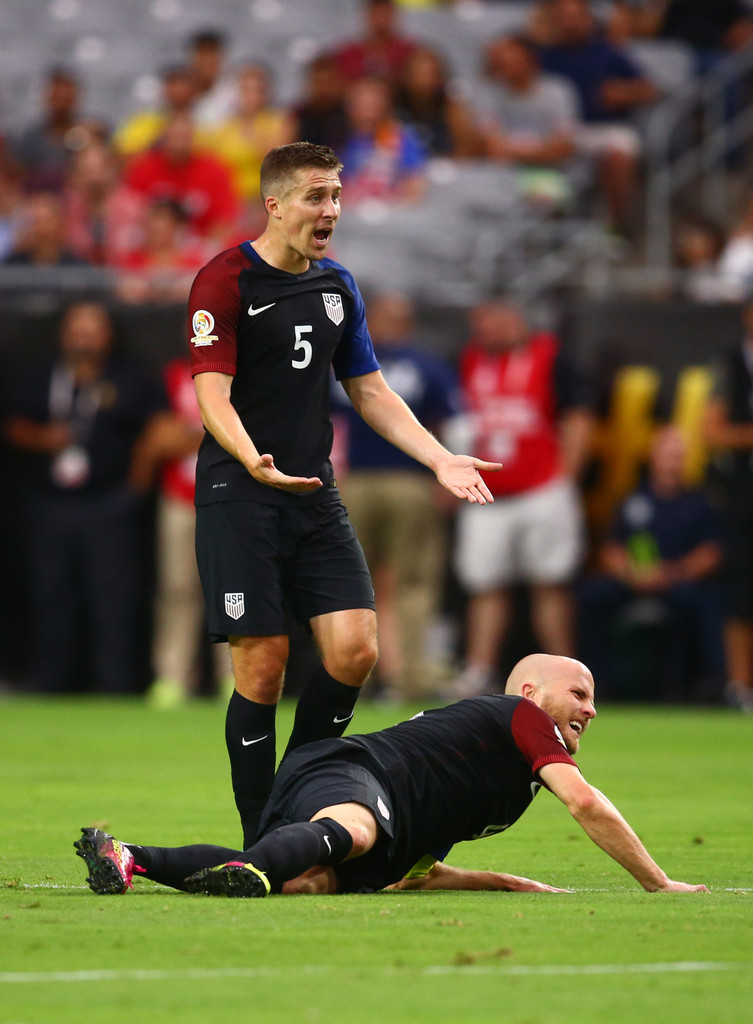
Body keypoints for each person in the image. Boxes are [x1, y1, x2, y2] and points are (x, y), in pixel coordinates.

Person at [186, 141, 500, 848]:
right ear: (273, 204)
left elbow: (369, 390)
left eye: (334, 195)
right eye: (313, 197)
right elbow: (212, 394)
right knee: (262, 665)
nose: (329, 210)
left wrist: (438, 457)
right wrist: (251, 459)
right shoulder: (223, 281)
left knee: (355, 650)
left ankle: (296, 797)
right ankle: (261, 834)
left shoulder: (336, 286)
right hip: (240, 492)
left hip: (314, 493)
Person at [73, 653, 709, 897]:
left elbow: (422, 872)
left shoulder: (511, 786)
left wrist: (513, 885)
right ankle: (257, 866)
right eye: (579, 693)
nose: (590, 709)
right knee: (354, 828)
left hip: (374, 814)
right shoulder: (521, 717)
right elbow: (588, 805)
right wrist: (659, 885)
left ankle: (131, 857)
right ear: (531, 689)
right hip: (349, 771)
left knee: (312, 885)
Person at [3, 301, 167, 694]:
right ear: (63, 334)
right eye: (78, 328)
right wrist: (43, 439)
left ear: (109, 334)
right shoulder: (40, 377)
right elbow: (12, 424)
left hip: (109, 502)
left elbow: (158, 428)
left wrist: (134, 485)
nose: (85, 336)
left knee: (114, 595)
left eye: (93, 328)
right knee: (51, 592)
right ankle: (51, 682)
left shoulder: (130, 378)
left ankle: (117, 684)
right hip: (51, 502)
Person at [448, 299, 593, 698]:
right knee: (485, 586)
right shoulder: (469, 360)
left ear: (516, 317)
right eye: (481, 321)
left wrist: (565, 477)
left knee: (550, 583)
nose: (488, 329)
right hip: (487, 492)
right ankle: (479, 671)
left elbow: (579, 416)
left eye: (496, 318)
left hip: (542, 488)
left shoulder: (550, 356)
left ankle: (568, 675)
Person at [333, 291, 459, 700]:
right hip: (410, 481)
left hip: (357, 484)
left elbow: (325, 422)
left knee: (349, 582)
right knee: (414, 583)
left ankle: (349, 675)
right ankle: (412, 678)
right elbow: (457, 422)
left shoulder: (346, 361)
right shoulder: (427, 366)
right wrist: (448, 471)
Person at [578, 425, 725, 702]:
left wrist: (673, 573)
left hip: (679, 581)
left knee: (707, 600)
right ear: (653, 457)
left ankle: (707, 684)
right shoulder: (633, 499)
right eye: (667, 454)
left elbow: (711, 553)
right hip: (634, 581)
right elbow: (611, 550)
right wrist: (633, 574)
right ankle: (596, 683)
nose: (672, 462)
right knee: (592, 596)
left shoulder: (700, 502)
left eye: (678, 455)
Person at [535, 0, 658, 233]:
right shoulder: (543, 57)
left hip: (605, 127)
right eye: (562, 16)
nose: (568, 22)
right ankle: (551, 232)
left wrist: (624, 92)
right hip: (559, 131)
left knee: (619, 152)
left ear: (588, 19)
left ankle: (615, 226)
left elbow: (650, 89)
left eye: (574, 16)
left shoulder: (608, 53)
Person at [704, 301, 753, 711]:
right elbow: (713, 431)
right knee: (739, 593)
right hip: (743, 497)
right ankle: (740, 686)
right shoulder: (730, 367)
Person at [476, 35, 580, 209]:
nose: (506, 63)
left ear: (531, 59)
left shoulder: (558, 91)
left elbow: (563, 147)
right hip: (501, 175)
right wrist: (540, 149)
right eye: (503, 59)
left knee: (542, 202)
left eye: (514, 58)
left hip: (551, 173)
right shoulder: (490, 95)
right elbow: (491, 147)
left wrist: (513, 151)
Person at [340, 76, 428, 206]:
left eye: (372, 104)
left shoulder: (403, 139)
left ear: (385, 105)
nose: (367, 112)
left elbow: (415, 185)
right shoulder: (344, 140)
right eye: (360, 104)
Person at [328, 0, 417, 87]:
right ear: (366, 16)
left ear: (394, 17)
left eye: (385, 14)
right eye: (376, 14)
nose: (380, 20)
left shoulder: (409, 52)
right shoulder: (347, 54)